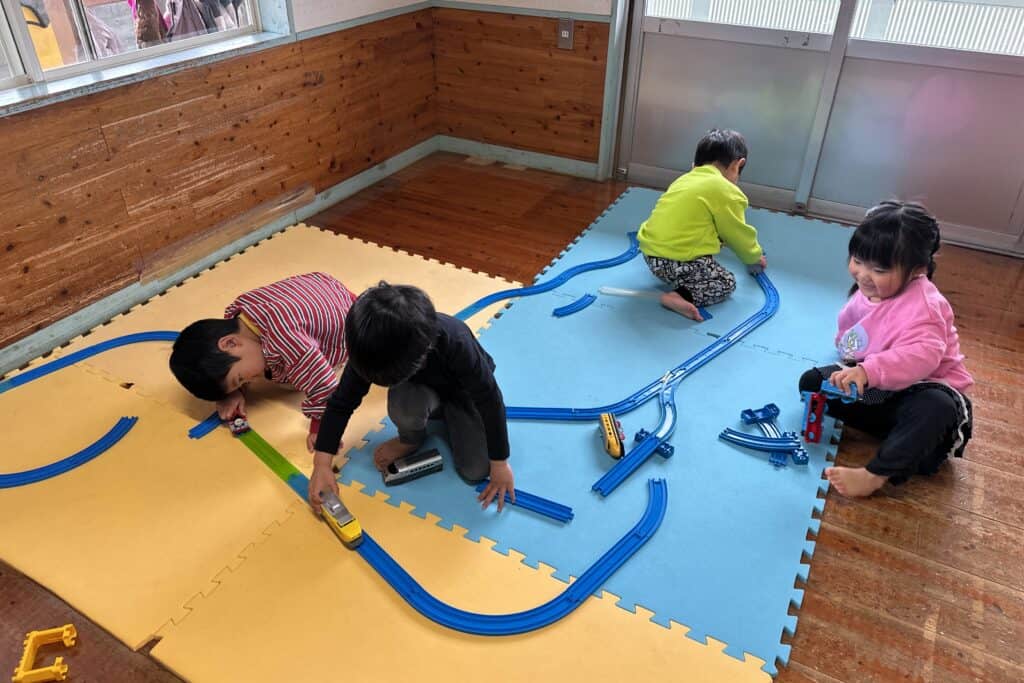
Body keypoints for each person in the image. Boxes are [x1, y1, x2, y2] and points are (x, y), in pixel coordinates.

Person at [799, 201, 973, 497]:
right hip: (881, 388)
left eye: (878, 269)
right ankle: (903, 440)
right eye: (857, 260)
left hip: (923, 389)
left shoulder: (926, 306)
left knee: (935, 408)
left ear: (917, 269)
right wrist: (850, 363)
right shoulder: (870, 289)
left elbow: (921, 357)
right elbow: (854, 331)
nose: (863, 274)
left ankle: (876, 474)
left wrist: (868, 371)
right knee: (813, 382)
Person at [308, 282, 515, 512]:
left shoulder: (456, 340)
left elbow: (489, 399)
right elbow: (341, 403)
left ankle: (455, 418)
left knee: (476, 470)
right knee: (403, 403)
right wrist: (321, 464)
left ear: (424, 353)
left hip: (464, 394)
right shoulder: (369, 348)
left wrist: (500, 463)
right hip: (421, 392)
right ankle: (411, 439)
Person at [169, 272, 356, 451]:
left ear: (231, 343)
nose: (249, 380)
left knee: (288, 380)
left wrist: (321, 427)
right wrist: (231, 392)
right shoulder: (242, 309)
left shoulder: (287, 341)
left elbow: (324, 386)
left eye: (240, 379)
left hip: (355, 329)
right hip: (326, 287)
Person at [637, 128, 767, 321]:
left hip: (650, 255)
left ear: (695, 164)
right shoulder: (726, 190)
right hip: (677, 260)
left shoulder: (684, 179)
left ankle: (679, 278)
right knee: (725, 281)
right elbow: (737, 234)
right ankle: (681, 296)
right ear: (737, 165)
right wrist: (754, 257)